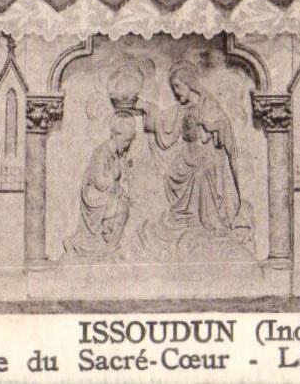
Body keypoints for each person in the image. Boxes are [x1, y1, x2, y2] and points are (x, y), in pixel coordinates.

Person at [133, 59, 254, 258]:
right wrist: (148, 108)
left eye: (178, 87)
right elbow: (165, 125)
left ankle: (208, 223)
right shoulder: (181, 109)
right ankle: (186, 219)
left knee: (199, 175)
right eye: (173, 88)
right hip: (188, 155)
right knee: (172, 173)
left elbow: (223, 127)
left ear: (189, 84)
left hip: (208, 157)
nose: (176, 92)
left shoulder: (207, 104)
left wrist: (210, 125)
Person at [64, 115, 138, 259]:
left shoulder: (114, 155)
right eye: (126, 140)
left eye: (129, 141)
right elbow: (99, 181)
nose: (127, 144)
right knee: (122, 209)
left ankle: (107, 245)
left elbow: (114, 183)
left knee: (123, 206)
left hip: (104, 194)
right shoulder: (102, 152)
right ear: (116, 135)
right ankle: (106, 248)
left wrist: (121, 191)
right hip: (93, 196)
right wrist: (114, 177)